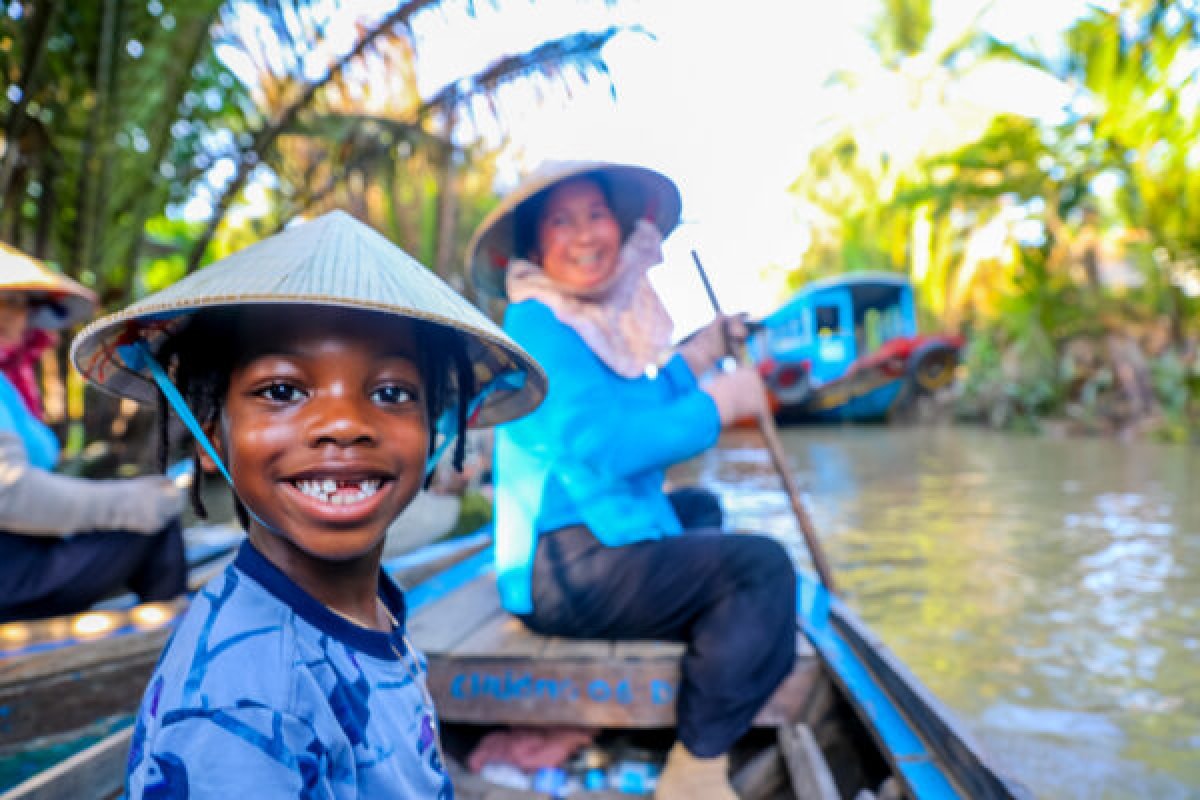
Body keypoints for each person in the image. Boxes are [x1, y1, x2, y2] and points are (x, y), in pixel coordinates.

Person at [70, 210, 545, 797]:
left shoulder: (371, 609)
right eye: (282, 390)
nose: (344, 425)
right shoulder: (243, 703)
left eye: (392, 392)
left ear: (433, 430)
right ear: (212, 432)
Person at [466, 162, 797, 800]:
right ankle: (696, 769)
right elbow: (609, 445)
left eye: (597, 216)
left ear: (622, 231)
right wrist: (720, 403)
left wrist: (701, 357)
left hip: (596, 541)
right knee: (763, 569)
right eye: (562, 220)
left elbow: (634, 407)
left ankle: (710, 660)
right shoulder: (537, 325)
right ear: (536, 246)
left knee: (699, 507)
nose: (585, 234)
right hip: (560, 567)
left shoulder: (587, 324)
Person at [0, 243, 185, 622]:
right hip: (10, 575)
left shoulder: (9, 385)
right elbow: (9, 492)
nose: (13, 314)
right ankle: (173, 650)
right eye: (8, 301)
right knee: (156, 521)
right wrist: (132, 505)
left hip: (21, 558)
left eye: (19, 302)